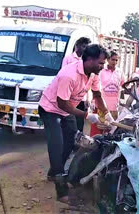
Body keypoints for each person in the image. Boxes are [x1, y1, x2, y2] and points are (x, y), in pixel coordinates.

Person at [38, 44, 114, 204]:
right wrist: (87, 115)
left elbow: (97, 95)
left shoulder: (93, 74)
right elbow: (61, 103)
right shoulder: (69, 74)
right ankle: (61, 191)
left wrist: (106, 114)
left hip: (67, 111)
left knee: (72, 142)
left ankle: (54, 173)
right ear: (90, 59)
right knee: (56, 146)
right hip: (50, 109)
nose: (103, 66)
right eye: (100, 63)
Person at [99, 51, 124, 120]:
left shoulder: (120, 72)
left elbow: (124, 85)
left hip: (114, 107)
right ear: (107, 60)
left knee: (112, 128)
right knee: (101, 127)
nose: (115, 62)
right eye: (113, 60)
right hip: (102, 106)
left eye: (116, 60)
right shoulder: (101, 71)